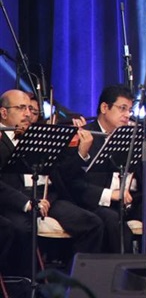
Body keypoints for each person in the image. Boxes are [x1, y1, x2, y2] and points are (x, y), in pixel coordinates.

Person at [0, 89, 103, 276]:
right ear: (4, 112)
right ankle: (25, 282)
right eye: (21, 108)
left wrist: (80, 152)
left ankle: (74, 282)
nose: (28, 114)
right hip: (15, 201)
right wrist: (27, 203)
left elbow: (62, 173)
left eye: (30, 109)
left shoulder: (40, 135)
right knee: (22, 229)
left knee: (92, 223)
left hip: (47, 197)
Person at [67, 85, 146, 253]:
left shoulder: (132, 135)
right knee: (115, 223)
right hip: (100, 202)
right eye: (122, 108)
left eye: (130, 110)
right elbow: (74, 181)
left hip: (131, 201)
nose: (127, 115)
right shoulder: (85, 135)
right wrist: (111, 194)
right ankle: (124, 269)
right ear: (104, 108)